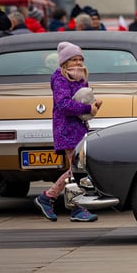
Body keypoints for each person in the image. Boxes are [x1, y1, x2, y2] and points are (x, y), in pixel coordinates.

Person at [33, 42, 103, 223]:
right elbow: (63, 104)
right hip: (65, 129)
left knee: (75, 170)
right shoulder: (60, 79)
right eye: (74, 59)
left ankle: (48, 198)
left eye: (80, 59)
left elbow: (82, 101)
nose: (78, 63)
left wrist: (92, 107)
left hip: (79, 128)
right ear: (64, 62)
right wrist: (87, 107)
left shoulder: (80, 78)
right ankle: (75, 208)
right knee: (76, 170)